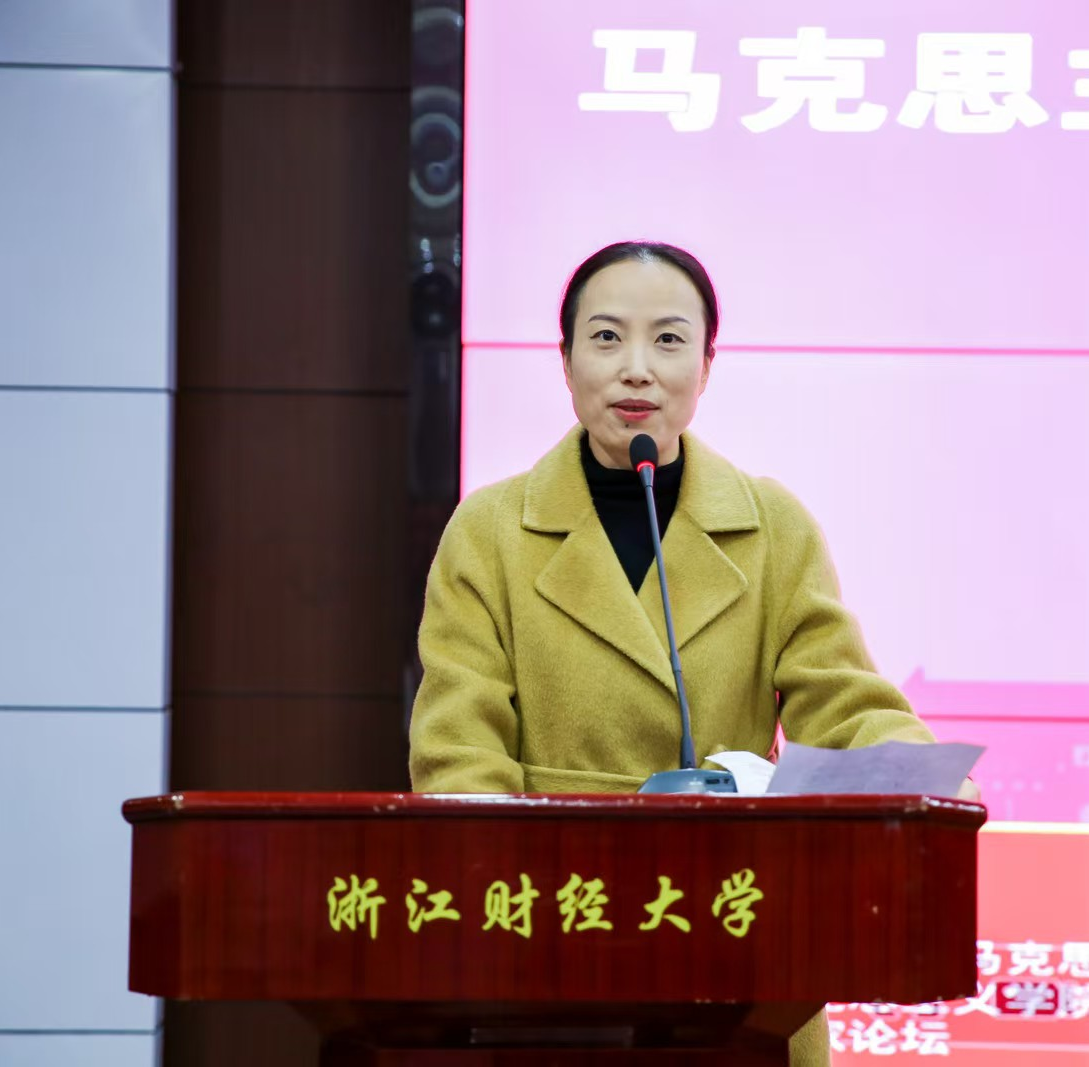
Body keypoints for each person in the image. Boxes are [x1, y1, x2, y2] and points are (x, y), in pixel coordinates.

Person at [409, 240, 975, 1064]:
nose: (636, 368)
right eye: (606, 337)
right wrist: (517, 912)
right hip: (556, 942)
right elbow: (459, 755)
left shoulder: (771, 526)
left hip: (739, 944)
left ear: (706, 367)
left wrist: (922, 777)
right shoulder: (490, 531)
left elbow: (844, 703)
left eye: (669, 340)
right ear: (564, 361)